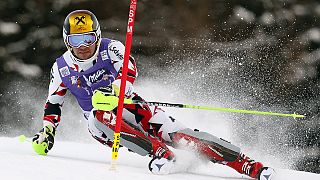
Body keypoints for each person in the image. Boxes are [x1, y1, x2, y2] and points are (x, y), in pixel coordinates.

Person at [32, 10, 274, 180]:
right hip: (101, 124)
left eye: (88, 38)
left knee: (180, 135)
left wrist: (116, 89)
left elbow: (129, 69)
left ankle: (244, 163)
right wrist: (47, 131)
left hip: (131, 105)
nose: (83, 45)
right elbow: (53, 103)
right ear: (67, 40)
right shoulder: (61, 68)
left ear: (97, 35)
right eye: (76, 39)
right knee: (98, 114)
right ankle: (159, 153)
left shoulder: (111, 47)